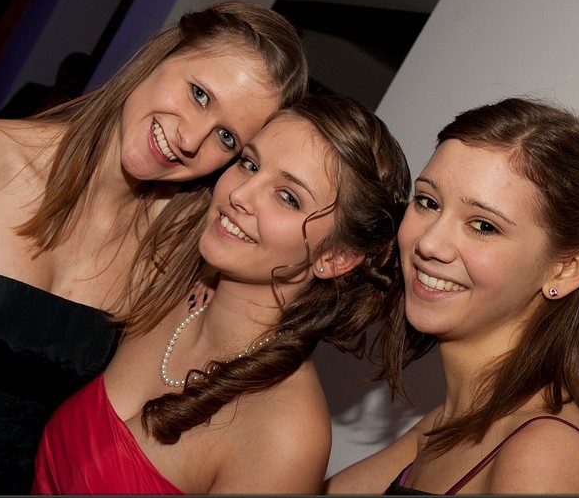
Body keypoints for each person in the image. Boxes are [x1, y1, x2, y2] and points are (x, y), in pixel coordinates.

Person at [0, 0, 309, 495]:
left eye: (226, 137)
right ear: (162, 54)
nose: (190, 138)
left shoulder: (175, 254)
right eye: (199, 93)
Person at [31, 94, 412, 495]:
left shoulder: (284, 438)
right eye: (249, 164)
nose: (239, 195)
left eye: (288, 197)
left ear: (335, 257)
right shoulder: (168, 287)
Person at [324, 97, 579, 495]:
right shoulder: (443, 427)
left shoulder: (546, 455)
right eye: (428, 202)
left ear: (566, 268)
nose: (429, 243)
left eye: (483, 225)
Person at [0, 52, 95, 119]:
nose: (66, 76)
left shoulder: (74, 109)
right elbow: (1, 118)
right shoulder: (31, 91)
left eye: (75, 74)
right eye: (67, 69)